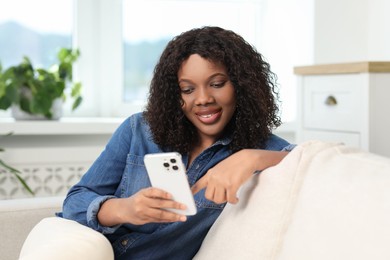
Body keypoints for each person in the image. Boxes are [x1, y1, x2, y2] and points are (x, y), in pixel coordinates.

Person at [60, 26, 295, 259]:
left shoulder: (264, 149)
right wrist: (125, 209)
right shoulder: (138, 130)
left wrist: (250, 157)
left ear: (242, 86)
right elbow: (75, 201)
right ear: (174, 94)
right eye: (187, 89)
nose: (203, 99)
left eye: (217, 84)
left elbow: (325, 163)